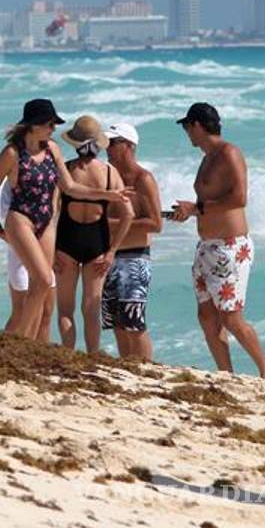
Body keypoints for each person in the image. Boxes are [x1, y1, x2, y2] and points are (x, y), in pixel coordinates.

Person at [0, 99, 129, 340]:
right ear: (34, 125)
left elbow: (70, 187)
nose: (53, 129)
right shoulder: (12, 153)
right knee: (41, 279)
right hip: (21, 218)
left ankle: (25, 342)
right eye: (50, 123)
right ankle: (20, 342)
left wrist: (107, 195)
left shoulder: (52, 148)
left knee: (45, 286)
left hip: (46, 222)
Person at [170, 103, 265, 378]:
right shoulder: (207, 157)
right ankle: (226, 374)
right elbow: (208, 203)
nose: (187, 134)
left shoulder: (229, 153)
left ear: (197, 126)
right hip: (207, 247)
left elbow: (239, 199)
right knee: (206, 316)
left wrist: (197, 208)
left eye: (187, 127)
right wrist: (187, 212)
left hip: (230, 247)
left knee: (231, 317)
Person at [53, 116, 132, 353]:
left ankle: (68, 355)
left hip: (66, 240)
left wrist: (50, 249)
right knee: (91, 310)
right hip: (97, 242)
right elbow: (128, 214)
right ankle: (93, 357)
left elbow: (52, 212)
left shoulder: (65, 171)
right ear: (99, 144)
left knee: (66, 309)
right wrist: (112, 251)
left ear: (75, 143)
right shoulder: (109, 173)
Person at [102, 123, 161, 361]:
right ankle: (130, 368)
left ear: (129, 146)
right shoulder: (108, 176)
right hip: (110, 256)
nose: (108, 148)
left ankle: (148, 369)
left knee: (133, 322)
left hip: (135, 257)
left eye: (113, 143)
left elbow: (156, 223)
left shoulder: (142, 178)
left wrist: (115, 224)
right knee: (116, 322)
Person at [0, 185, 54, 341]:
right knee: (21, 311)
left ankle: (40, 354)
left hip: (44, 251)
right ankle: (4, 349)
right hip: (20, 253)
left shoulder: (48, 177)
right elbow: (7, 222)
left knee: (46, 311)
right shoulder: (14, 183)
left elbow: (53, 215)